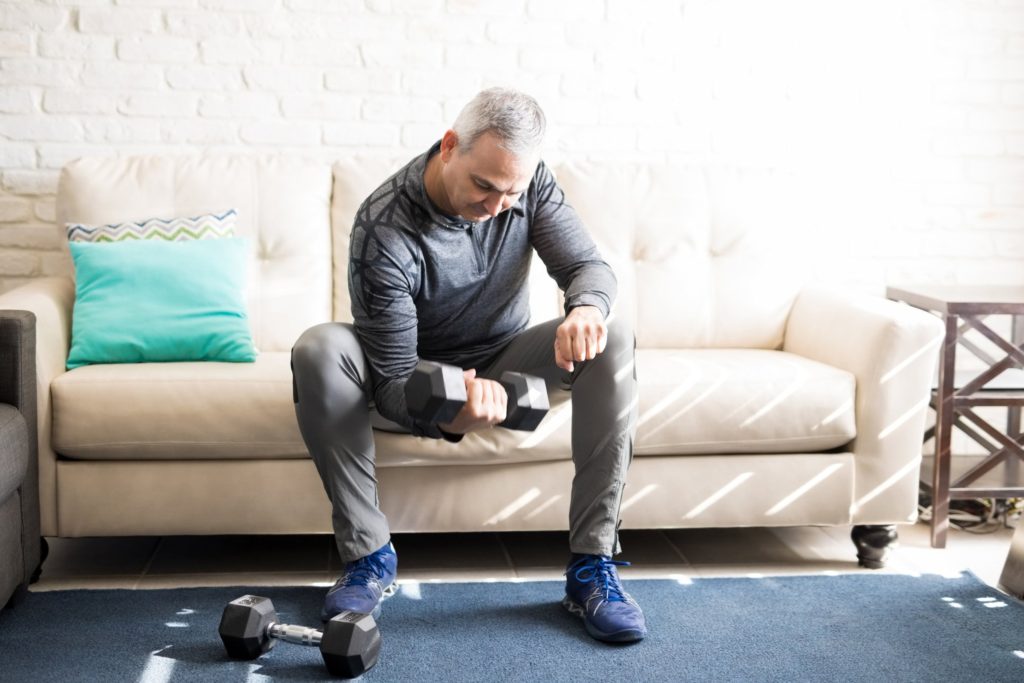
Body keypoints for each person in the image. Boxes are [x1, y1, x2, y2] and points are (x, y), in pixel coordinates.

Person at [290, 87, 645, 643]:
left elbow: (587, 267)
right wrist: (450, 414)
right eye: (483, 186)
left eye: (511, 192)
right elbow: (390, 384)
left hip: (506, 363)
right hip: (413, 373)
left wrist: (585, 309)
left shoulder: (527, 184)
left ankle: (590, 567)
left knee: (612, 336)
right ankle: (369, 558)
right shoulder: (384, 225)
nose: (497, 205)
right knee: (318, 348)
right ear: (449, 147)